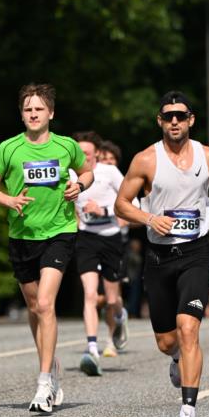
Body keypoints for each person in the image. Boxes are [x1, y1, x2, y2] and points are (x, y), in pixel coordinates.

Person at [115, 91, 209, 417]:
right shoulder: (145, 161)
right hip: (158, 259)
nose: (174, 121)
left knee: (188, 329)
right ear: (159, 120)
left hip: (196, 254)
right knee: (167, 341)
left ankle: (187, 412)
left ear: (191, 119)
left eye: (180, 116)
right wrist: (149, 218)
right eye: (168, 116)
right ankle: (175, 360)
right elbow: (121, 205)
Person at [0, 83, 93, 413]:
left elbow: (87, 172)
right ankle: (52, 366)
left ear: (51, 113)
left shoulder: (66, 146)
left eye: (39, 109)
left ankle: (43, 382)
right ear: (22, 114)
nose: (33, 113)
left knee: (45, 303)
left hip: (59, 231)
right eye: (28, 109)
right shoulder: (9, 149)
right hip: (22, 235)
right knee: (33, 306)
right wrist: (9, 199)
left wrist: (79, 185)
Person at [73, 131, 129, 375]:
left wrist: (103, 211)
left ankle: (119, 317)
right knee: (89, 294)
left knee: (113, 299)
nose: (82, 156)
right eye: (78, 152)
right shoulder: (69, 175)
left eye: (86, 152)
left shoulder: (109, 173)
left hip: (111, 238)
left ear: (96, 153)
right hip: (86, 240)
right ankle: (92, 348)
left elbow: (132, 205)